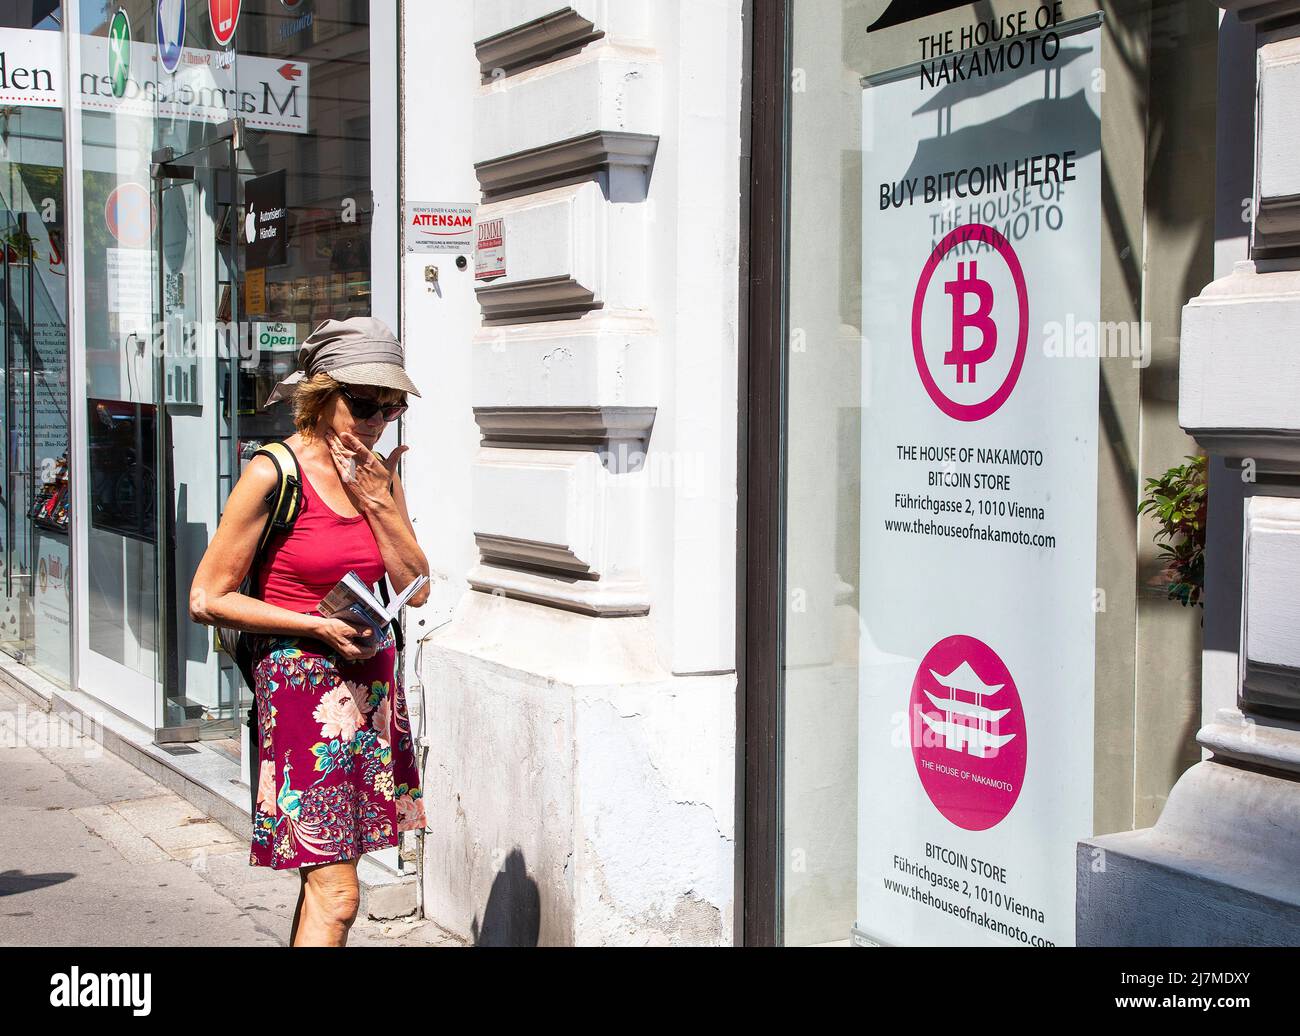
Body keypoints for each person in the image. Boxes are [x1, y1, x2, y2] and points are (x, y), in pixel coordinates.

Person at [190, 317, 431, 947]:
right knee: (340, 891)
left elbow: (418, 586)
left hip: (370, 695)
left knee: (323, 883)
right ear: (321, 397)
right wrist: (315, 626)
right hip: (303, 695)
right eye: (364, 402)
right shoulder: (274, 473)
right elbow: (207, 597)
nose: (379, 418)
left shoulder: (380, 478)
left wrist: (380, 501)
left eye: (392, 405)